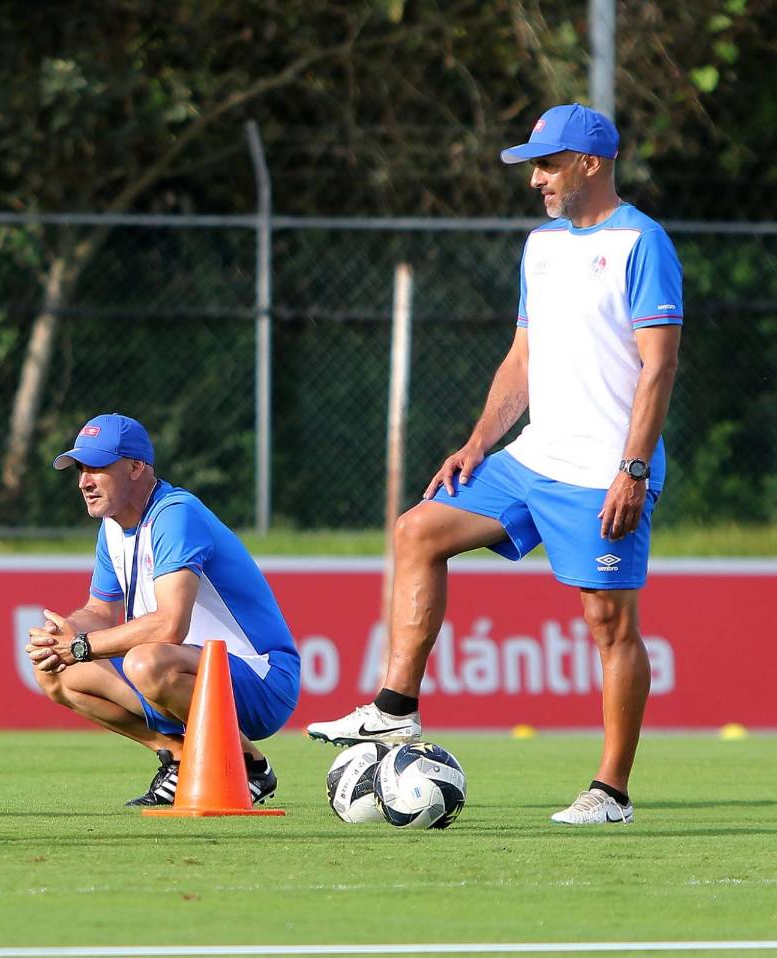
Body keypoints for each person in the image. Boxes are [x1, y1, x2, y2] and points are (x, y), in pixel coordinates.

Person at [307, 103, 683, 826]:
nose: (535, 179)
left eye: (546, 165)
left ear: (591, 164)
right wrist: (480, 441)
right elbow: (521, 358)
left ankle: (610, 792)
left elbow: (659, 367)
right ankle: (394, 708)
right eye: (532, 167)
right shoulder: (540, 246)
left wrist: (633, 469)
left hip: (602, 471)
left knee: (609, 625)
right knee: (418, 530)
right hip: (530, 456)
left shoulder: (642, 243)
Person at [26, 413, 300, 807]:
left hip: (262, 678)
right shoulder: (112, 526)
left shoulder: (175, 514)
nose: (84, 481)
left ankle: (248, 766)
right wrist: (62, 636)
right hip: (185, 669)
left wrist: (82, 646)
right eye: (81, 469)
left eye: (97, 468)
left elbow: (171, 625)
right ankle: (179, 757)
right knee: (54, 672)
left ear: (136, 467)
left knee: (145, 662)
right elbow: (100, 611)